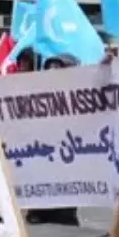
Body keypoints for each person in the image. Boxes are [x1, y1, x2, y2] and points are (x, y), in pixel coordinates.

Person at [27, 56, 82, 226]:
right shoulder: (36, 93)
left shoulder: (80, 96)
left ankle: (63, 215)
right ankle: (38, 210)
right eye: (49, 69)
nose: (52, 74)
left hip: (67, 153)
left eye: (58, 69)